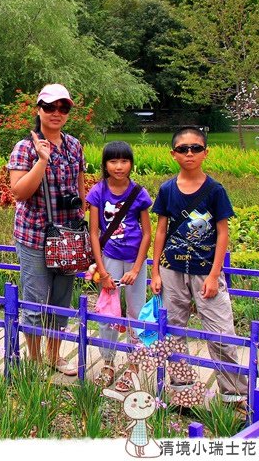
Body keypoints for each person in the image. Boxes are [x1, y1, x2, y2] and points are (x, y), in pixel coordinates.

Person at [150, 126, 248, 410]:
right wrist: (155, 271)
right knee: (173, 331)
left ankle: (234, 397)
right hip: (172, 268)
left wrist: (215, 275)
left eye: (195, 148)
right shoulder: (167, 190)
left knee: (220, 332)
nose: (189, 153)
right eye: (183, 149)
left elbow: (223, 233)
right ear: (173, 154)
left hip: (206, 270)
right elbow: (160, 231)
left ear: (206, 153)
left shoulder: (215, 190)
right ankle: (183, 393)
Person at [7, 83, 87, 376]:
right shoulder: (25, 147)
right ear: (38, 109)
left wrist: (82, 218)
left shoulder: (74, 145)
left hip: (67, 235)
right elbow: (19, 193)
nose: (56, 113)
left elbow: (79, 186)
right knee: (35, 299)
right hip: (35, 236)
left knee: (61, 298)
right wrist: (42, 160)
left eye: (62, 107)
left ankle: (54, 356)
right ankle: (35, 358)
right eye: (50, 107)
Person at [86, 141, 153, 388]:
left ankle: (133, 365)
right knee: (107, 313)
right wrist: (102, 271)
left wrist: (137, 268)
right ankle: (108, 363)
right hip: (110, 259)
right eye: (113, 161)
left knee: (136, 312)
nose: (119, 166)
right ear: (105, 164)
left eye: (124, 161)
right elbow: (94, 233)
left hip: (134, 260)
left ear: (131, 164)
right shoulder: (98, 192)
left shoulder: (139, 193)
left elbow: (147, 233)